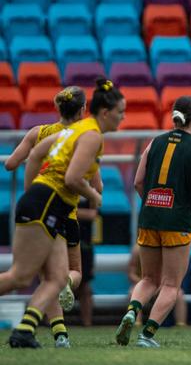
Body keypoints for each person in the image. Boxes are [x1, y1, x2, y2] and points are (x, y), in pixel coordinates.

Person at [0, 78, 124, 348]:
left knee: (56, 278)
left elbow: (33, 157)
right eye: (120, 112)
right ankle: (48, 333)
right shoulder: (90, 135)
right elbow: (72, 178)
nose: (123, 117)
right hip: (49, 203)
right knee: (21, 276)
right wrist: (93, 195)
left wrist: (31, 190)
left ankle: (25, 330)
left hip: (45, 202)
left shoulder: (69, 131)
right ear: (102, 112)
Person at [115, 95, 191, 348]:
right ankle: (147, 335)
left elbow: (137, 181)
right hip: (177, 221)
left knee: (148, 279)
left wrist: (152, 202)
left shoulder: (154, 142)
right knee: (171, 285)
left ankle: (132, 311)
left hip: (149, 217)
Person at [4, 86, 93, 347]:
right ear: (81, 110)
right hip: (66, 212)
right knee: (69, 273)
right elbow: (91, 180)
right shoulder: (82, 138)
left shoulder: (38, 133)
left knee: (48, 278)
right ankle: (60, 332)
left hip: (36, 205)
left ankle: (58, 333)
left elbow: (10, 164)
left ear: (58, 108)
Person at [126, 244, 188, 327]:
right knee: (132, 292)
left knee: (179, 294)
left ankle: (181, 324)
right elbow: (131, 273)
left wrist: (158, 285)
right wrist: (144, 284)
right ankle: (137, 324)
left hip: (159, 285)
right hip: (146, 283)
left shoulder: (165, 249)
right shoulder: (138, 249)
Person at [75, 197, 97, 327]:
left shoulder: (89, 192)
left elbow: (92, 214)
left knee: (85, 287)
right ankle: (52, 323)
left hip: (85, 247)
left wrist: (70, 212)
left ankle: (87, 324)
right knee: (56, 284)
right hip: (63, 245)